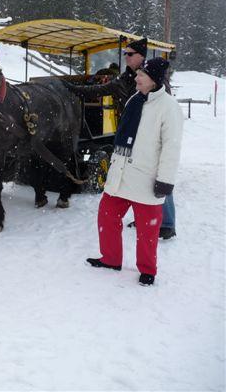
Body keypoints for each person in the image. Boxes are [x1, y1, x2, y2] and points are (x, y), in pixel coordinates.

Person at [86, 57, 184, 286]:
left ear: (154, 80)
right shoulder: (134, 100)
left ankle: (148, 270)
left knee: (148, 229)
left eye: (142, 75)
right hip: (121, 175)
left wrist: (165, 181)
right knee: (107, 215)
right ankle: (110, 258)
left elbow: (172, 148)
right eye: (138, 74)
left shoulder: (169, 108)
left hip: (147, 178)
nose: (137, 77)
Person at [65, 37, 148, 115]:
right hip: (127, 127)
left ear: (141, 56)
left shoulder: (152, 77)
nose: (126, 57)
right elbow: (97, 89)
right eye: (125, 53)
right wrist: (71, 88)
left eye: (130, 54)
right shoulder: (121, 80)